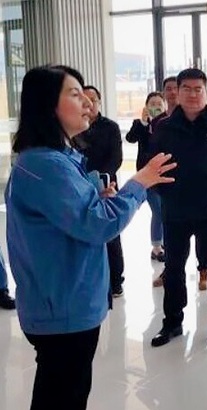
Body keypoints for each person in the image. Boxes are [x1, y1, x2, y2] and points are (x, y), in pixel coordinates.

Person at [6, 64, 174, 410]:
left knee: (67, 406)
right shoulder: (46, 165)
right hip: (63, 310)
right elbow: (97, 225)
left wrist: (97, 192)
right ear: (48, 106)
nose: (86, 102)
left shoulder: (57, 159)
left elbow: (75, 214)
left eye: (85, 94)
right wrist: (139, 183)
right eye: (74, 93)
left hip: (66, 302)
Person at [149, 68, 207, 350]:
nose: (192, 94)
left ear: (206, 92)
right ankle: (173, 322)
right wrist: (165, 191)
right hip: (175, 210)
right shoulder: (164, 128)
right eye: (186, 89)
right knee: (173, 268)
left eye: (198, 89)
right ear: (176, 93)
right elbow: (150, 165)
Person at [151, 76, 207, 290]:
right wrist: (163, 189)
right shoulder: (161, 124)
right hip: (173, 198)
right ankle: (169, 274)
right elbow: (152, 156)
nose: (173, 92)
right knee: (174, 248)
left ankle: (203, 272)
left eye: (176, 88)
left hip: (203, 199)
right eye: (169, 89)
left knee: (205, 243)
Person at [74, 85, 125, 298]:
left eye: (93, 100)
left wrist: (100, 179)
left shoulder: (110, 127)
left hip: (106, 186)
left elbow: (116, 158)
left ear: (99, 102)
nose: (88, 104)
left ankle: (116, 280)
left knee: (111, 232)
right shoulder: (75, 126)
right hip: (78, 187)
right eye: (83, 99)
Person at [126, 91, 166, 262]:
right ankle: (157, 246)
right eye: (152, 104)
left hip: (165, 173)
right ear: (146, 107)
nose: (156, 107)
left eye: (159, 104)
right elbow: (130, 138)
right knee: (158, 210)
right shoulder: (140, 124)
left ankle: (165, 244)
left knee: (166, 210)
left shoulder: (168, 124)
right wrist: (143, 122)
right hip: (147, 175)